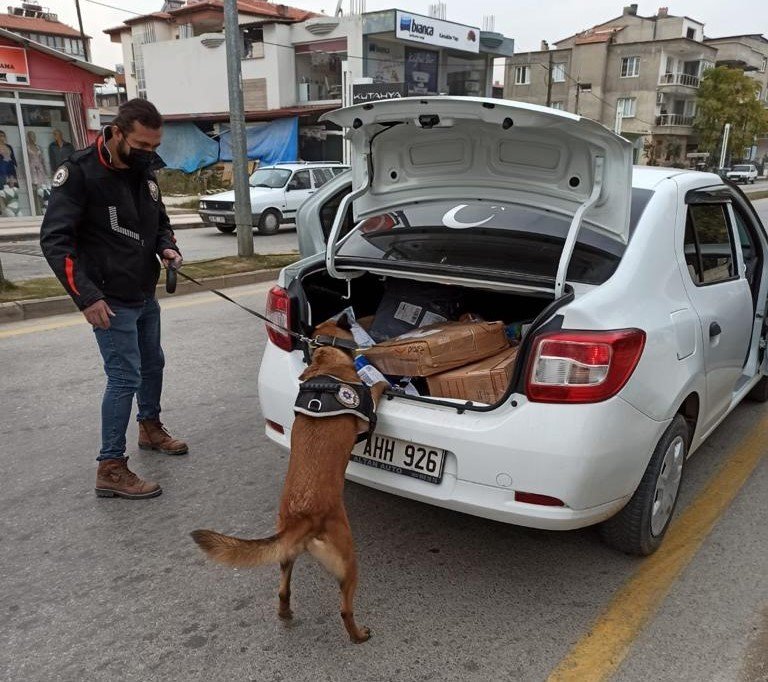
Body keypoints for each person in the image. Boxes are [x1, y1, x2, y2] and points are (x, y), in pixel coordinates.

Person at [40, 99, 187, 500]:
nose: (149, 154)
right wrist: (87, 297)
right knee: (124, 378)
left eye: (155, 146)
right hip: (107, 298)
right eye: (142, 145)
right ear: (117, 133)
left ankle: (150, 427)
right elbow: (55, 241)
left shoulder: (144, 171)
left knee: (153, 363)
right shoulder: (79, 173)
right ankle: (110, 467)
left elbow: (159, 222)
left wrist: (167, 246)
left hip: (142, 291)